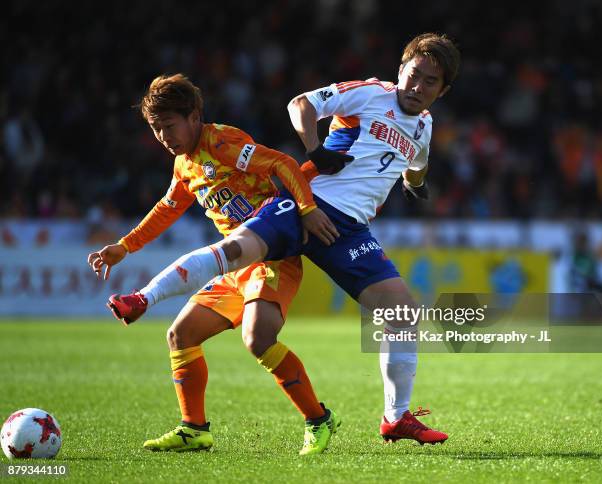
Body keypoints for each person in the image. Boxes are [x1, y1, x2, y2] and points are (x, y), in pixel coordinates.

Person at [104, 33, 460, 445]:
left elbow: (416, 164)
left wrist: (414, 184)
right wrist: (315, 147)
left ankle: (395, 418)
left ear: (442, 90)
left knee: (402, 314)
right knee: (235, 252)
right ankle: (143, 298)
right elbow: (301, 104)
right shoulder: (369, 93)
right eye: (413, 75)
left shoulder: (425, 127)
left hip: (347, 230)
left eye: (430, 82)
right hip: (308, 202)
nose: (417, 88)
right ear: (401, 69)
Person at [87, 74, 342, 455]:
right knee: (180, 335)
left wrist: (306, 210)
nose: (163, 137)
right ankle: (194, 429)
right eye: (156, 129)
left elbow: (283, 163)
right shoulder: (184, 164)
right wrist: (125, 246)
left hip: (271, 254)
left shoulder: (222, 142)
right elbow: (168, 208)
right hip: (233, 264)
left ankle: (319, 420)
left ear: (193, 116)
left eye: (168, 126)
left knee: (258, 339)